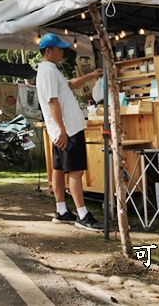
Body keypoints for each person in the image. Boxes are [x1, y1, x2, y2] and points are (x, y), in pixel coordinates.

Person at [36, 33, 104, 232]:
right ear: (48, 51)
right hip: (68, 128)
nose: (62, 52)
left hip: (61, 129)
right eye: (58, 49)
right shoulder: (48, 72)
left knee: (58, 169)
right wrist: (63, 130)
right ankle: (82, 214)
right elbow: (52, 102)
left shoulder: (50, 70)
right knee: (75, 171)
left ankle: (62, 210)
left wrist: (91, 76)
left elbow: (70, 85)